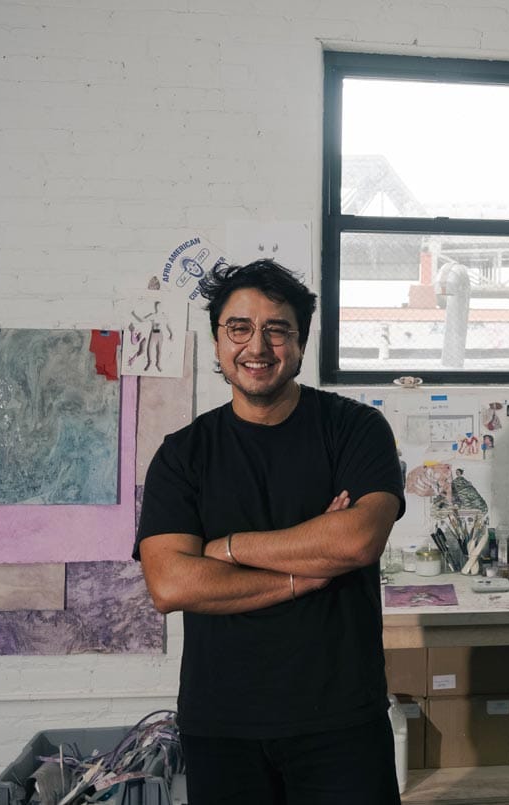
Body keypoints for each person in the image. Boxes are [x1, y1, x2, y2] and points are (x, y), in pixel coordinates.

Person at [134, 259, 406, 804]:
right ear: (217, 342)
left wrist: (228, 549)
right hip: (223, 726)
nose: (257, 346)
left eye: (277, 329)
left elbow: (356, 541)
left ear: (301, 343)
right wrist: (304, 575)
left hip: (341, 719)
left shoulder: (355, 428)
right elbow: (171, 585)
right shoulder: (182, 456)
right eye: (240, 328)